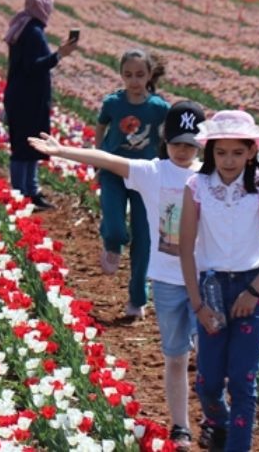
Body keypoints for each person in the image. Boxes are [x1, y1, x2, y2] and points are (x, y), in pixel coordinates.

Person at [29, 100, 205, 451]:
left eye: (190, 143)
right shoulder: (154, 172)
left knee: (211, 356)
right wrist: (61, 150)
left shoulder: (209, 175)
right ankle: (180, 426)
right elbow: (108, 161)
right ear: (165, 141)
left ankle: (215, 416)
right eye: (177, 143)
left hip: (206, 279)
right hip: (168, 279)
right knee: (175, 356)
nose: (183, 150)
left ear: (201, 144)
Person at [178, 110, 259, 452]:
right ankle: (218, 423)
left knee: (243, 382)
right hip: (211, 288)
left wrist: (254, 291)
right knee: (208, 382)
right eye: (221, 152)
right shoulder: (197, 186)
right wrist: (197, 303)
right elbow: (186, 246)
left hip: (250, 289)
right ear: (209, 151)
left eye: (237, 152)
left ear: (251, 152)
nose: (229, 160)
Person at [95, 48, 169, 319]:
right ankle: (113, 244)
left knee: (144, 238)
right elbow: (101, 127)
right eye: (128, 75)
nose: (134, 81)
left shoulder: (159, 108)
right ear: (121, 76)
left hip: (146, 175)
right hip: (114, 171)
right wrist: (99, 157)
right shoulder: (113, 104)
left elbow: (169, 136)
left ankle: (137, 299)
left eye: (140, 75)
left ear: (149, 75)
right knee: (115, 227)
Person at [2, 0, 77, 210]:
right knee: (26, 148)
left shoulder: (23, 24)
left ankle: (28, 192)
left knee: (28, 147)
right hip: (28, 100)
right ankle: (23, 194)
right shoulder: (32, 31)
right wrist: (59, 55)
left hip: (21, 97)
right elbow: (34, 67)